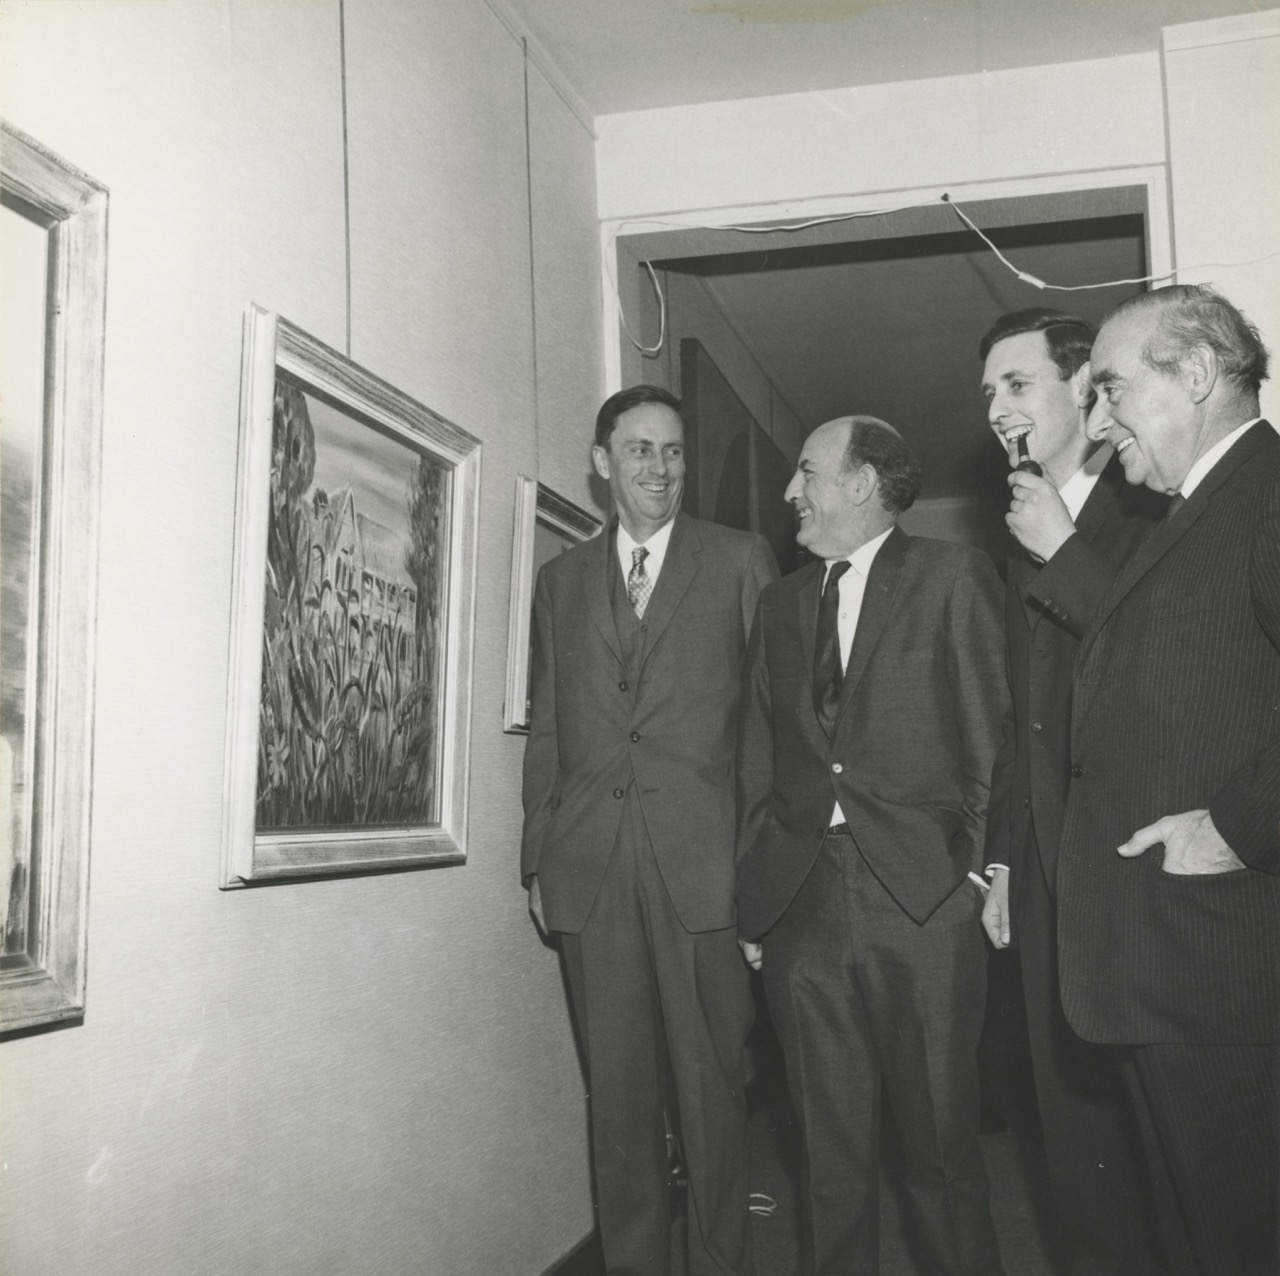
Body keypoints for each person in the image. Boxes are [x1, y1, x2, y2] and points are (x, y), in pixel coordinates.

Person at [736, 416, 1007, 1276]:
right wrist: (757, 899)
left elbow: (991, 742)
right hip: (802, 912)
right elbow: (757, 762)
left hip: (924, 906)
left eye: (807, 473)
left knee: (940, 1153)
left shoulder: (952, 576)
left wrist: (975, 878)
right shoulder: (780, 605)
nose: (791, 492)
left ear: (860, 484)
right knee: (827, 1159)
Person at [521, 384, 777, 1276]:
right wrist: (537, 858)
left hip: (706, 875)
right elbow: (549, 729)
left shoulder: (738, 561)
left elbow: (769, 728)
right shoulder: (560, 583)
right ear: (602, 463)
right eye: (639, 449)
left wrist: (760, 869)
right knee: (619, 1104)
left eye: (672, 450)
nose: (660, 468)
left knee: (712, 1091)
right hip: (590, 873)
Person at [1059, 284, 1280, 1276]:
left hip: (1228, 972)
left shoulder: (1267, 493)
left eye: (1110, 390)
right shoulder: (1196, 512)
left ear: (1193, 374)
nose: (1097, 426)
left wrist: (1236, 827)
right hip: (1174, 971)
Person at [977, 308, 1164, 1274]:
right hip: (1046, 878)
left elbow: (1165, 675)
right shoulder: (1022, 533)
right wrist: (1006, 860)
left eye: (1017, 385)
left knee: (1155, 1149)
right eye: (989, 394)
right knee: (1071, 1145)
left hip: (1136, 874)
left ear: (1087, 387)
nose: (997, 410)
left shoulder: (1153, 507)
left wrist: (1064, 549)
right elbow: (1022, 720)